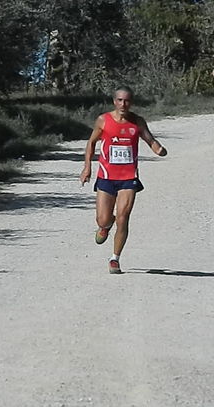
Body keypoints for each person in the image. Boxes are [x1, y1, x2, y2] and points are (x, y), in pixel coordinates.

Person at [80, 86, 167, 274]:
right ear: (114, 101)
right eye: (119, 100)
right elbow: (91, 142)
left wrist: (158, 149)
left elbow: (149, 139)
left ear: (131, 102)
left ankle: (115, 259)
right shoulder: (103, 120)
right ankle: (105, 226)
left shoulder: (137, 122)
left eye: (127, 101)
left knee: (123, 217)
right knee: (103, 219)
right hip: (106, 176)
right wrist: (87, 167)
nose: (123, 104)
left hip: (128, 177)